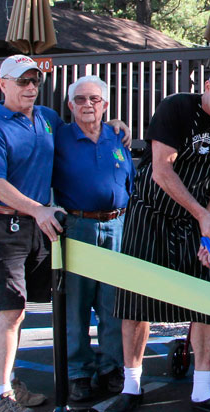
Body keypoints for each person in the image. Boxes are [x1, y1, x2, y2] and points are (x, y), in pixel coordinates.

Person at [112, 63, 210, 412]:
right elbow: (161, 169)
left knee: (206, 300)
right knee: (136, 302)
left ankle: (203, 391)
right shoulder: (177, 107)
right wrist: (200, 213)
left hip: (197, 222)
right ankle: (132, 386)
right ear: (207, 86)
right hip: (151, 212)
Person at [0, 55, 62, 412]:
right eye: (23, 81)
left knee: (23, 310)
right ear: (3, 83)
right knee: (10, 311)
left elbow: (79, 127)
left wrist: (113, 123)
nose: (30, 88)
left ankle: (9, 381)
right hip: (3, 225)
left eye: (35, 81)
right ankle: (0, 393)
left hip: (36, 227)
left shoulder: (47, 118)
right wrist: (38, 209)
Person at [52, 75, 135, 403]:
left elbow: (130, 180)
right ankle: (78, 372)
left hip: (117, 226)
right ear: (71, 105)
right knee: (77, 304)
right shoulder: (59, 136)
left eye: (95, 100)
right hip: (78, 227)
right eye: (82, 99)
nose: (88, 105)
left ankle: (111, 366)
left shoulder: (117, 136)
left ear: (105, 105)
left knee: (113, 302)